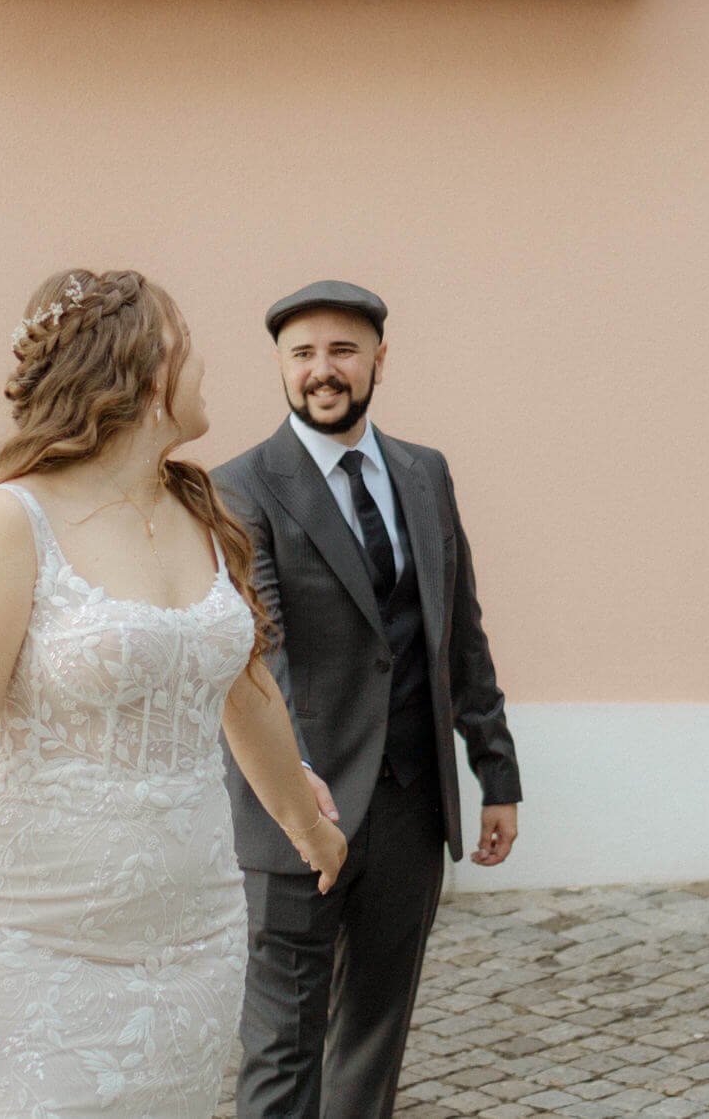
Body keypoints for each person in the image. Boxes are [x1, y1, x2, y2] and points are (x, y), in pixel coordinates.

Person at [0, 268, 349, 1118]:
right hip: (34, 947)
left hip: (192, 946)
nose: (207, 362)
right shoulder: (9, 523)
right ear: (145, 371)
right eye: (188, 343)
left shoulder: (203, 511)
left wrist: (305, 822)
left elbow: (242, 690)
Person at [218, 280, 524, 1119]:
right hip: (293, 809)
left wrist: (495, 769)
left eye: (343, 350)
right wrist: (298, 786)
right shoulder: (240, 486)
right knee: (282, 1044)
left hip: (408, 807)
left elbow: (459, 627)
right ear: (280, 367)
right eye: (304, 353)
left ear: (379, 360)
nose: (324, 370)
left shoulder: (425, 472)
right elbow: (260, 652)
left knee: (373, 1039)